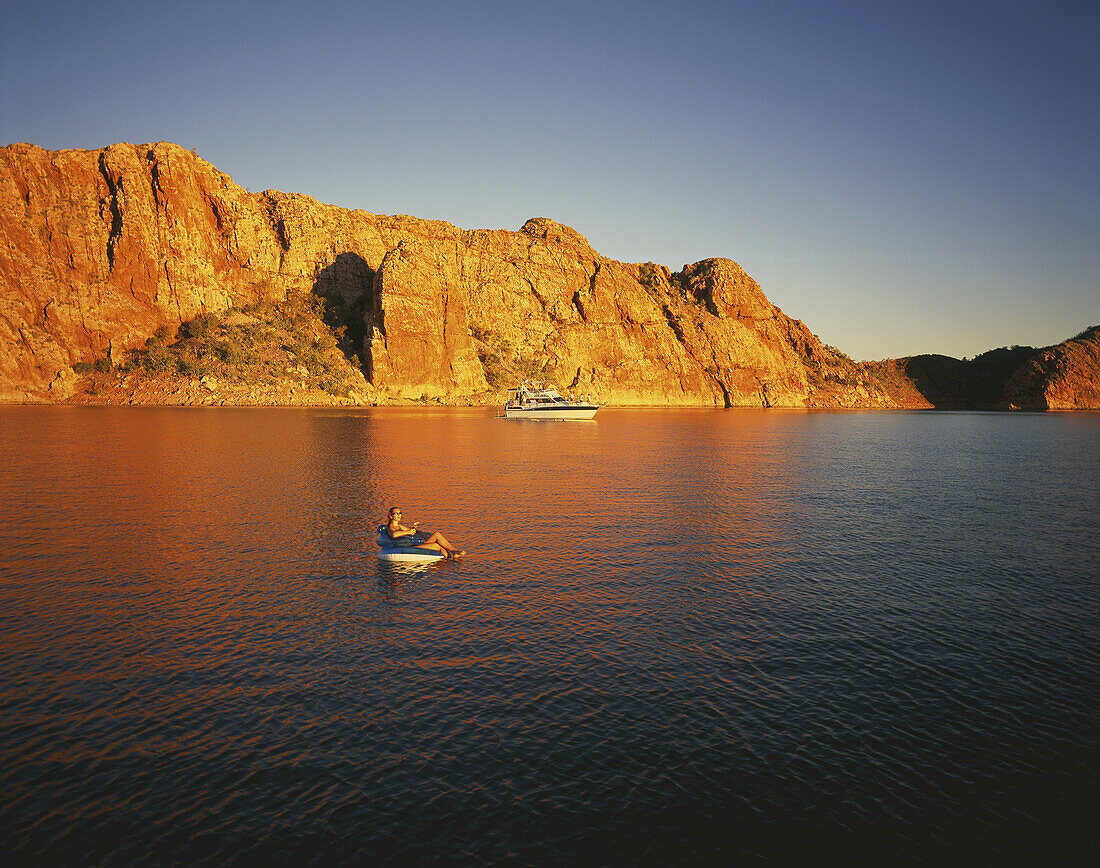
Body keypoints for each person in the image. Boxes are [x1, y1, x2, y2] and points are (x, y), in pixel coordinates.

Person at [386, 507, 465, 559]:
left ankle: (452, 556)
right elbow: (393, 534)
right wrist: (408, 532)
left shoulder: (401, 526)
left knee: (437, 539)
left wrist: (416, 530)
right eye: (396, 513)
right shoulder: (390, 527)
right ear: (390, 516)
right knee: (437, 541)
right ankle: (452, 556)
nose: (399, 515)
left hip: (414, 544)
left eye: (400, 513)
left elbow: (410, 531)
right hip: (410, 547)